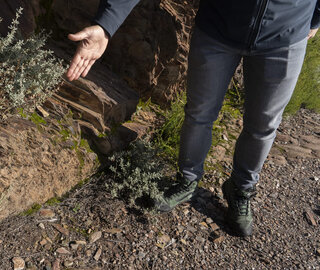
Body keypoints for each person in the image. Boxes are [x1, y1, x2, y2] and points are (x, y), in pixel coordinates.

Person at [66, 0, 320, 237]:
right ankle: (187, 179)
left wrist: (315, 19)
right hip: (218, 29)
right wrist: (106, 25)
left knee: (264, 125)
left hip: (285, 37)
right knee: (199, 113)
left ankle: (241, 189)